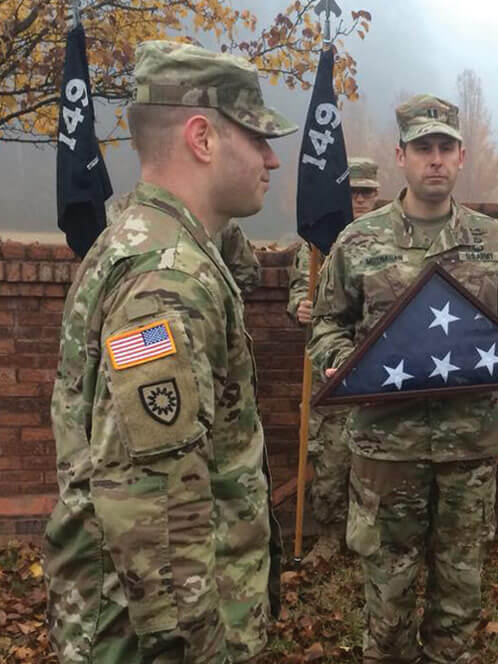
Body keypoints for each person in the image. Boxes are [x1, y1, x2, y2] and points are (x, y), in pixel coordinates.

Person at [44, 41, 297, 663]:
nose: (272, 158)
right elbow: (152, 509)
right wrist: (200, 649)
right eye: (257, 137)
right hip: (155, 639)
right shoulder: (168, 278)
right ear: (203, 138)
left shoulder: (146, 240)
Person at [307, 94, 498, 664]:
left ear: (462, 156)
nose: (435, 159)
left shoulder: (492, 241)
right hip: (386, 450)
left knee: (459, 592)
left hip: (468, 449)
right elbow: (326, 324)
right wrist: (337, 358)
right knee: (388, 598)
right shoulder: (358, 242)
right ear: (401, 156)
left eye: (445, 147)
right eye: (423, 148)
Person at [287, 157, 381, 563]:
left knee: (376, 465)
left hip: (377, 373)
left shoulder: (390, 244)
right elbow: (296, 293)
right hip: (328, 373)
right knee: (326, 462)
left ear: (376, 195)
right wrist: (300, 307)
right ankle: (327, 537)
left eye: (366, 192)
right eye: (353, 192)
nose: (359, 199)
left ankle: (370, 541)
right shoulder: (315, 247)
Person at [109, 193, 263, 295]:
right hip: (150, 328)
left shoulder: (121, 212)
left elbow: (247, 273)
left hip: (142, 322)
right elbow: (247, 274)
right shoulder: (213, 212)